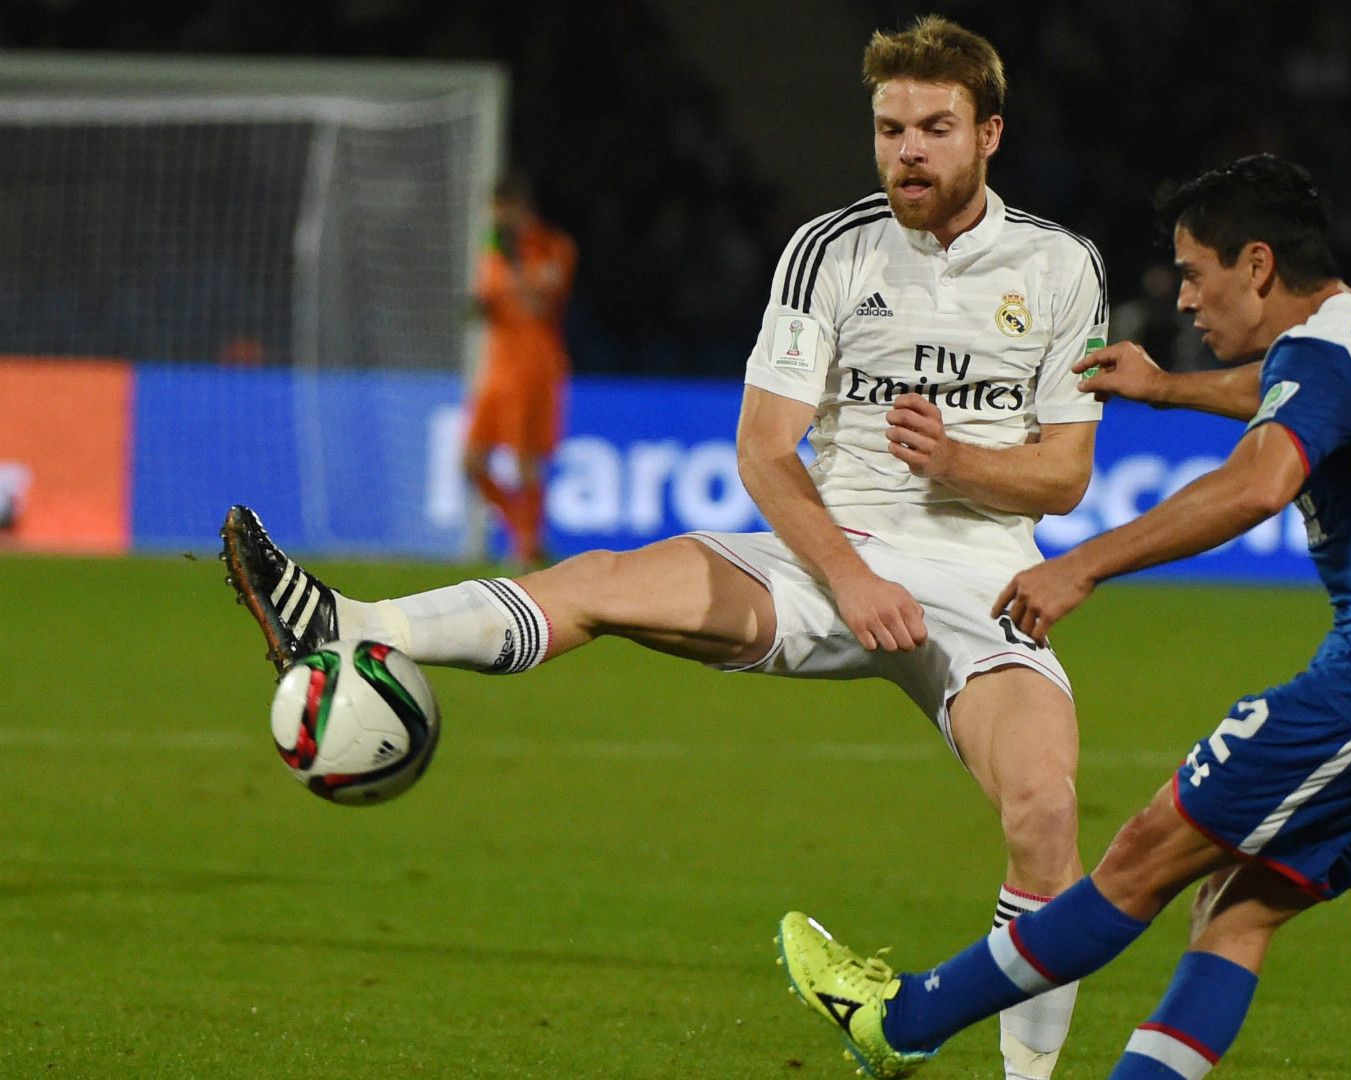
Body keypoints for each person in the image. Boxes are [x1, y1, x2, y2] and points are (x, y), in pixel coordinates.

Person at [220, 17, 1106, 1080]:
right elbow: (766, 452)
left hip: (981, 581)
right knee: (598, 584)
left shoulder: (1060, 265)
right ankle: (350, 625)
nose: (907, 150)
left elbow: (1063, 477)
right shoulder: (828, 250)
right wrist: (851, 572)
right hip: (836, 550)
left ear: (989, 133)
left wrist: (959, 459)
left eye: (934, 128)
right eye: (888, 128)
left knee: (1048, 813)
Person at [777, 154, 1351, 1080]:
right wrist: (1169, 389)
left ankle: (901, 1021)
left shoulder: (1325, 355)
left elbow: (1259, 485)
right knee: (1239, 902)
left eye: (1193, 273)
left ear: (1256, 265)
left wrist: (1084, 564)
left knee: (1139, 858)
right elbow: (1283, 390)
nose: (1181, 300)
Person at [467, 170, 577, 567]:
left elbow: (541, 304)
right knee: (471, 460)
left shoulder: (553, 247)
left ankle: (527, 546)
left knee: (525, 461)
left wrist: (512, 264)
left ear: (521, 209)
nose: (496, 219)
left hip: (535, 365)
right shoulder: (491, 249)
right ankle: (523, 532)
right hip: (497, 366)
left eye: (502, 210)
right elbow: (485, 302)